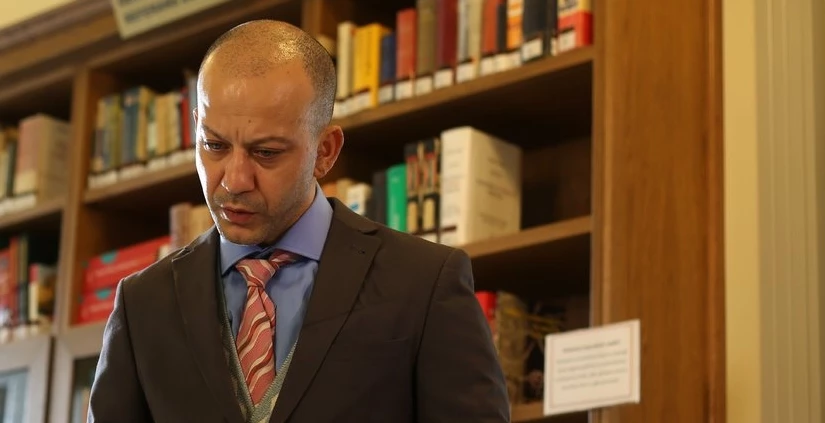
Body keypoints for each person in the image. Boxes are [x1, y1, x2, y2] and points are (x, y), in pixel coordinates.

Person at [86, 19, 510, 423]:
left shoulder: (425, 282)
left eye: (266, 153)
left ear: (325, 151)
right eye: (214, 146)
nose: (234, 180)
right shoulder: (142, 304)